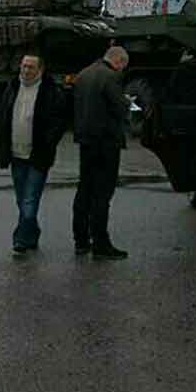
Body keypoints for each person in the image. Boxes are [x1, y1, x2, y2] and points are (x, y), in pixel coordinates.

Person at [0, 55, 67, 256]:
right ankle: (32, 233)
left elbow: (59, 121)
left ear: (40, 70)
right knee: (21, 199)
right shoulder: (12, 88)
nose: (26, 70)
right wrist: (0, 141)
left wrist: (48, 142)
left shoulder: (50, 92)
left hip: (38, 155)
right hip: (16, 154)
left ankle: (20, 240)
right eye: (24, 66)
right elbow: (2, 116)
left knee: (29, 199)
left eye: (31, 67)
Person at [71, 46, 130, 259]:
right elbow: (119, 108)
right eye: (124, 66)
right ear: (119, 61)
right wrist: (128, 102)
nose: (123, 70)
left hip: (85, 140)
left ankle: (80, 240)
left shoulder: (84, 74)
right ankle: (101, 244)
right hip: (106, 142)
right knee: (102, 194)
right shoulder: (111, 77)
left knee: (84, 189)